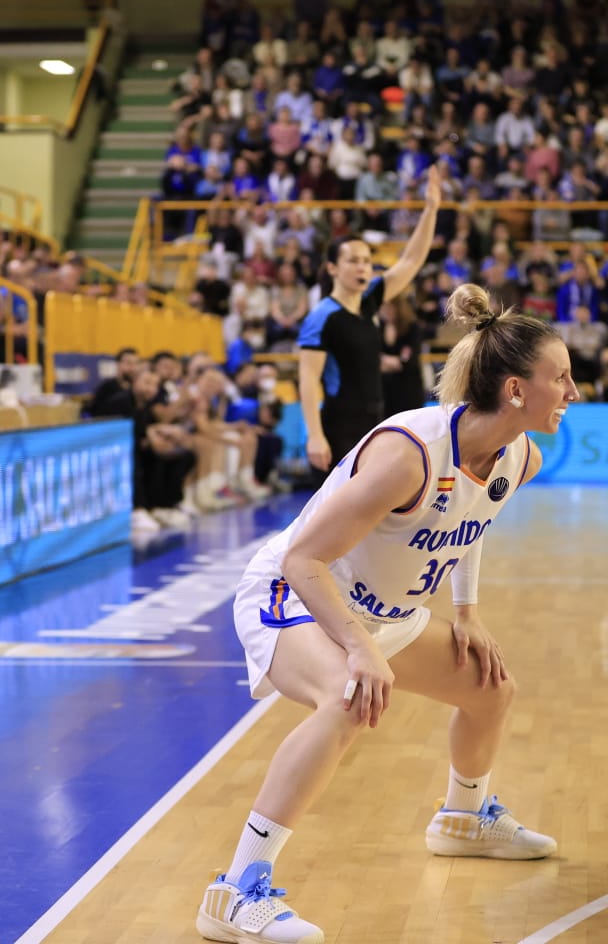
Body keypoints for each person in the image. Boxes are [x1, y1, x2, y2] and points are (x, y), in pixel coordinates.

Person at [197, 285, 576, 944]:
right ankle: (235, 891)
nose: (574, 391)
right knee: (349, 698)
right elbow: (305, 561)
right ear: (516, 390)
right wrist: (357, 647)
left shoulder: (519, 456)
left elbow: (472, 518)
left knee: (491, 689)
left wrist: (468, 610)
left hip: (383, 613)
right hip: (293, 595)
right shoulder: (409, 454)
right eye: (561, 378)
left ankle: (464, 820)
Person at [298, 169, 442, 475]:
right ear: (333, 268)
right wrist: (315, 436)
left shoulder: (370, 301)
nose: (362, 267)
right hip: (339, 426)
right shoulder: (322, 316)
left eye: (366, 260)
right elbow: (308, 379)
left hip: (374, 420)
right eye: (353, 261)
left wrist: (430, 209)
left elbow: (411, 261)